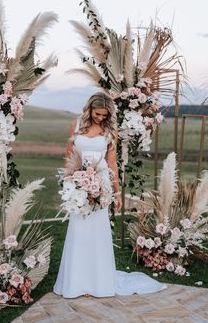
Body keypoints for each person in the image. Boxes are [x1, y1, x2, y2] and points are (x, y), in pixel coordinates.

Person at [53, 92, 166, 298]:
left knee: (97, 231)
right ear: (90, 109)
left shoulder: (109, 131)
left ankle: (97, 282)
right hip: (79, 185)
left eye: (104, 115)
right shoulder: (76, 125)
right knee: (79, 230)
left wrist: (117, 193)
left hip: (101, 185)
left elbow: (112, 163)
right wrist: (71, 182)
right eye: (97, 114)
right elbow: (69, 155)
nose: (100, 118)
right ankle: (76, 282)